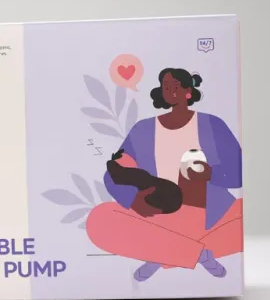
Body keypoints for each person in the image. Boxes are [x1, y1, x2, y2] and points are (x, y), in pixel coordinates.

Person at [85, 68, 243, 281]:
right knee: (99, 219)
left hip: (208, 214)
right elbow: (114, 173)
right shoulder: (143, 129)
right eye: (166, 86)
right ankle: (195, 253)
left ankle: (163, 252)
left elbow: (237, 172)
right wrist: (133, 201)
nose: (170, 91)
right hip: (157, 214)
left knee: (241, 215)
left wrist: (210, 174)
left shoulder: (212, 125)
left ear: (188, 91)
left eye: (176, 86)